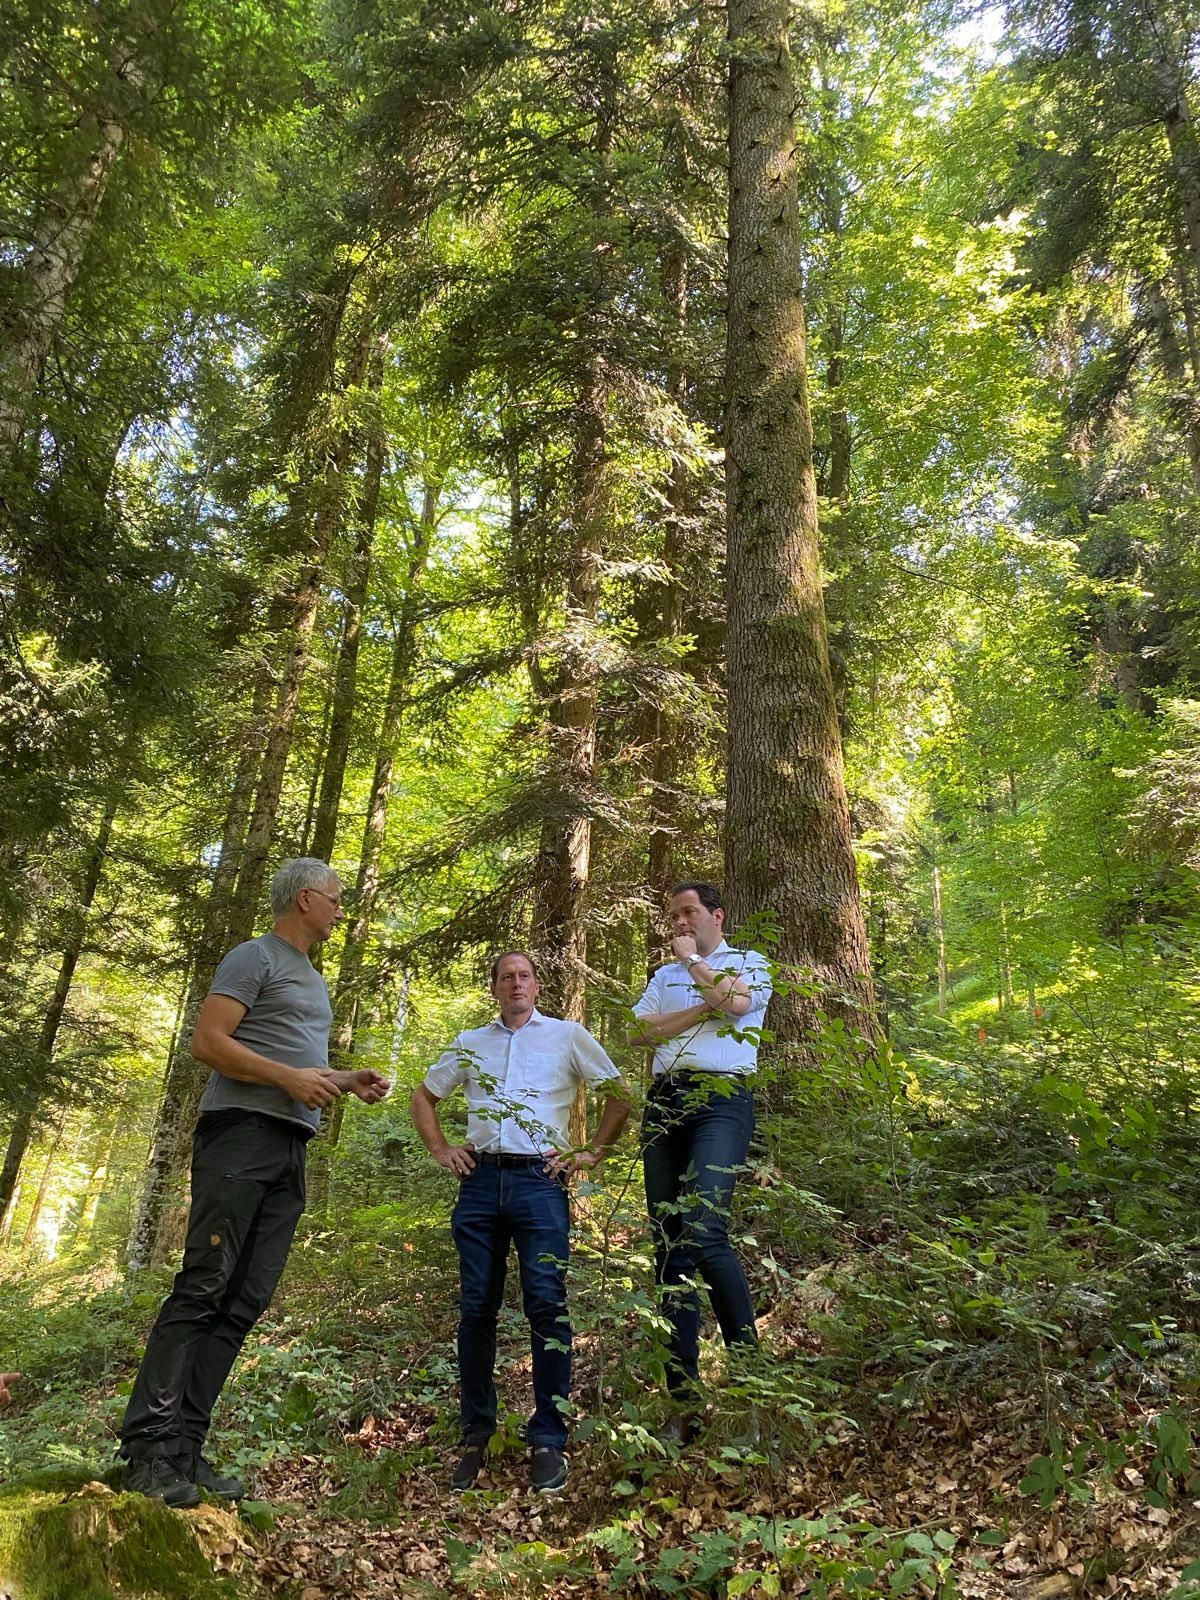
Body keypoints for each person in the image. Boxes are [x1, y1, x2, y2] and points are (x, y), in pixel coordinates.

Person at [119, 857, 389, 1507]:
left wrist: (341, 1080)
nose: (340, 908)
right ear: (303, 900)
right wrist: (289, 1080)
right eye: (334, 898)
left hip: (289, 1147)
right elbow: (208, 1043)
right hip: (238, 1134)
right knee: (203, 1287)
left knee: (245, 1299)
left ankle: (185, 1448)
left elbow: (298, 1064)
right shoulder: (254, 957)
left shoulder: (312, 979)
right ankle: (148, 1451)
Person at [410, 951, 630, 1493]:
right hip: (481, 1183)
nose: (515, 983)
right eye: (506, 975)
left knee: (547, 1305)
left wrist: (589, 1154)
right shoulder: (471, 1041)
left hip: (540, 1183)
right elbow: (423, 1096)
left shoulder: (567, 1035)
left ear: (536, 985)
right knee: (476, 1306)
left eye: (524, 975)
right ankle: (475, 1434)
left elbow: (619, 1095)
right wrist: (440, 1148)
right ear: (494, 987)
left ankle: (550, 1439)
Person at [631, 880, 772, 1442]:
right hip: (665, 1104)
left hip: (721, 1101)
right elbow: (641, 1032)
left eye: (689, 912)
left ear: (716, 915)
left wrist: (695, 970)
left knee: (706, 1233)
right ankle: (683, 1403)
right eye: (674, 915)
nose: (681, 923)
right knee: (668, 1245)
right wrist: (700, 1007)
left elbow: (738, 1004)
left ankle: (751, 1387)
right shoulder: (661, 976)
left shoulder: (749, 961)